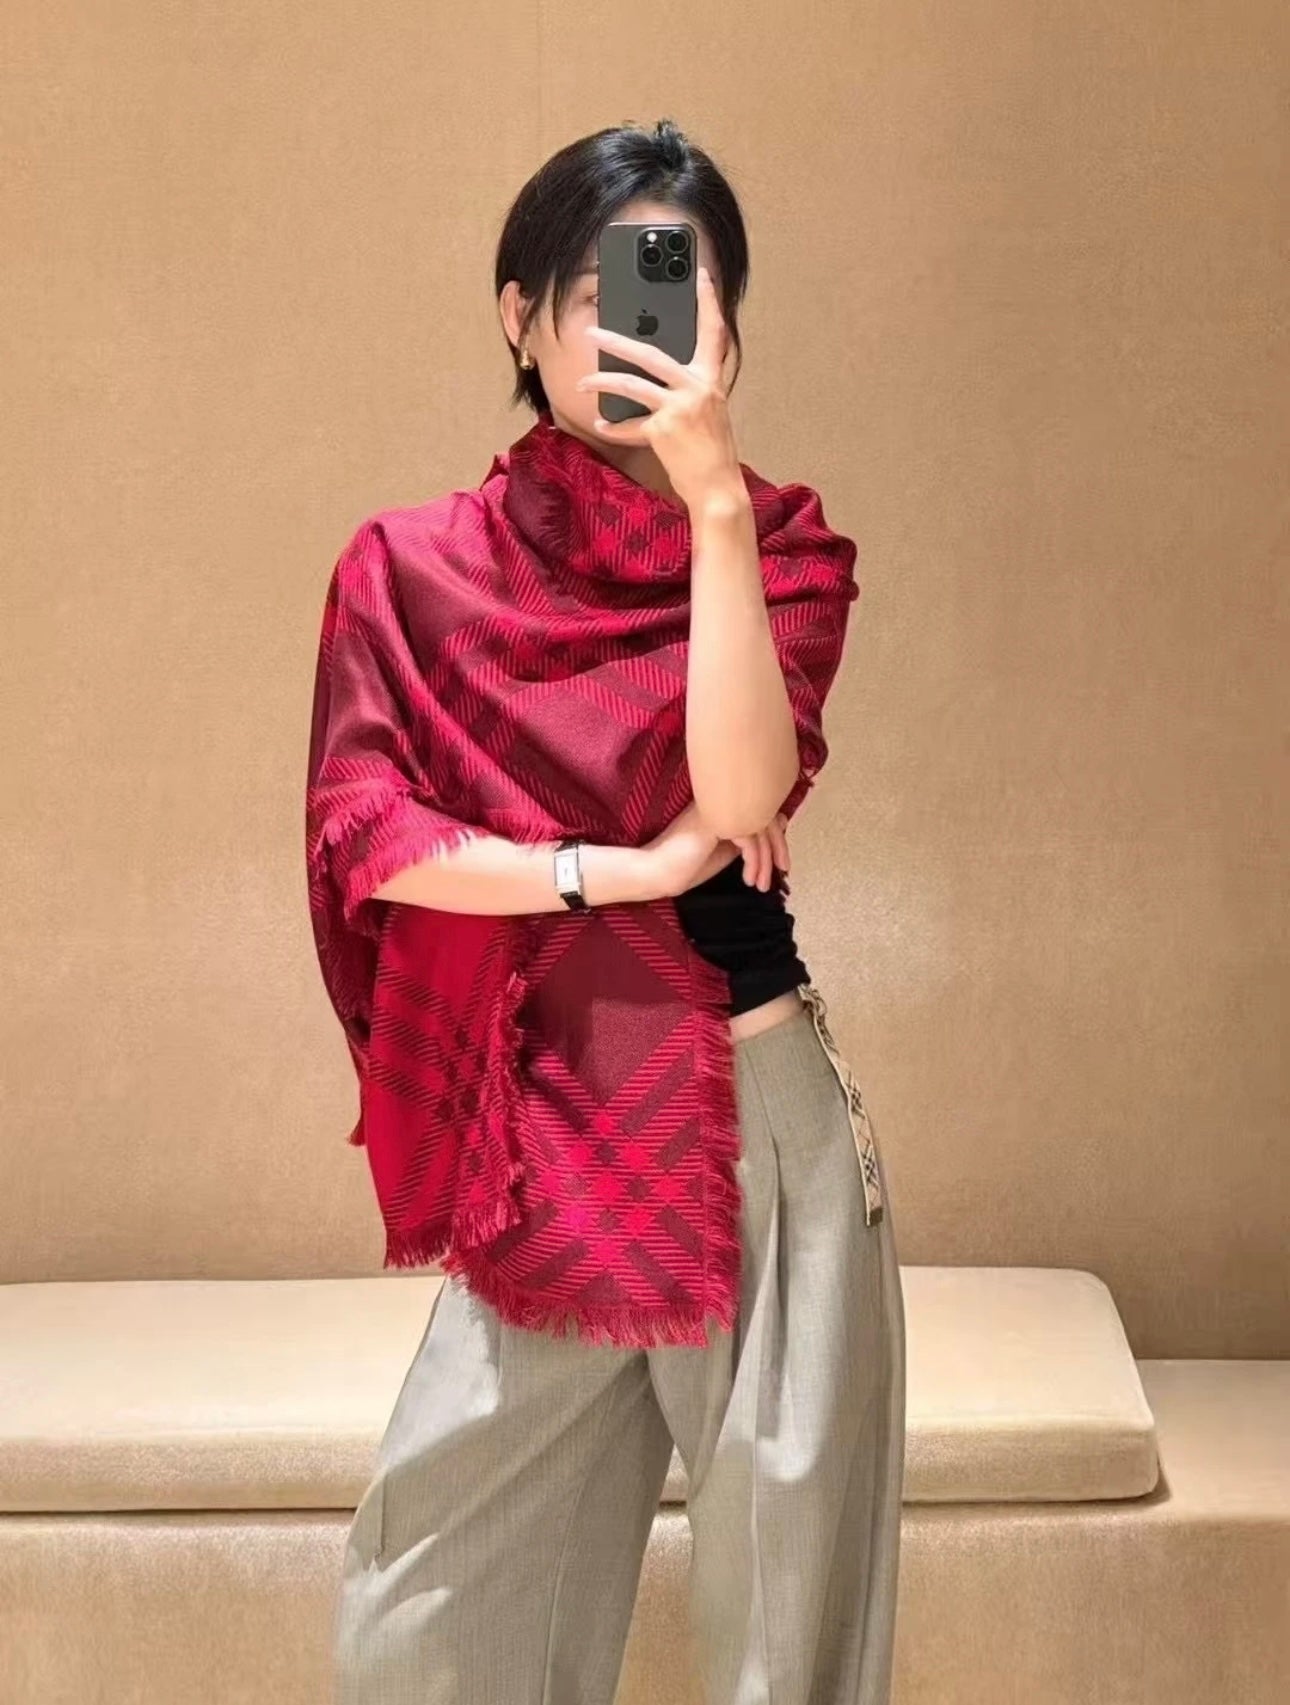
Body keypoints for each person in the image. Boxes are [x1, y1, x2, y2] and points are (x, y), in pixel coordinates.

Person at [314, 116, 905, 1705]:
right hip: (553, 1127)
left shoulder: (782, 548)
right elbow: (373, 835)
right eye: (595, 292)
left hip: (749, 1109)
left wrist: (714, 510)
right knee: (423, 1623)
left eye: (674, 290)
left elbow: (743, 788)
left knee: (788, 1640)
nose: (632, 327)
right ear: (518, 318)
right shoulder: (411, 572)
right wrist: (607, 868)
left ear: (726, 328)